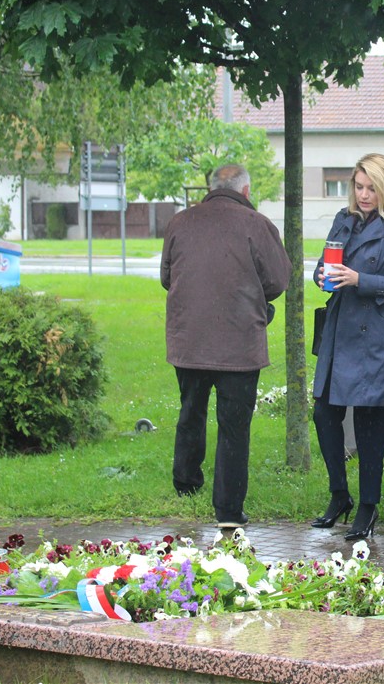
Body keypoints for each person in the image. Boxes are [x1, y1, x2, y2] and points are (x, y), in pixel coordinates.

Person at [161, 164, 291, 527]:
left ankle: (186, 481)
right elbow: (278, 281)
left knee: (191, 409)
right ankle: (228, 510)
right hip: (239, 342)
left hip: (189, 338)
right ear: (245, 191)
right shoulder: (257, 225)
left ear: (211, 187)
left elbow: (167, 277)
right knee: (234, 425)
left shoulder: (179, 222)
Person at [310, 154, 384, 540]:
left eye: (372, 187)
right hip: (340, 330)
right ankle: (339, 494)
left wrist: (360, 280)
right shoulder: (345, 219)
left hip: (376, 335)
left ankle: (368, 506)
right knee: (324, 413)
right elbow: (324, 264)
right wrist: (321, 274)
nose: (364, 194)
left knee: (370, 423)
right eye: (359, 186)